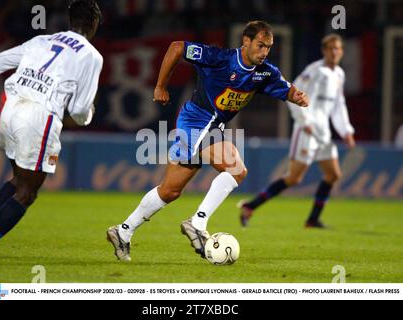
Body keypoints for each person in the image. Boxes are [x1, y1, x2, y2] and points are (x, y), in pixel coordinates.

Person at [106, 20, 309, 262]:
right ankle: (197, 223)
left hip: (205, 125)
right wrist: (161, 86)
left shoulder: (265, 72)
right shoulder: (219, 58)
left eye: (269, 47)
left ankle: (122, 231)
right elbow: (177, 47)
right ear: (246, 41)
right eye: (260, 45)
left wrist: (295, 95)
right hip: (197, 121)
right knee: (237, 169)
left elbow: (285, 88)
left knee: (169, 191)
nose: (264, 52)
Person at [0, 0, 103, 267]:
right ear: (94, 24)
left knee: (16, 181)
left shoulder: (40, 40)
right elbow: (80, 111)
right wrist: (89, 113)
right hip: (38, 116)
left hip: (10, 108)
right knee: (27, 192)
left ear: (70, 20)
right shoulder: (92, 56)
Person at [239, 33, 355, 229]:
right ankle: (250, 206)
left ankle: (312, 220)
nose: (335, 52)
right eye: (331, 48)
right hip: (307, 130)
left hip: (323, 132)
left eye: (338, 48)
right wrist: (304, 121)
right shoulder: (314, 71)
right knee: (294, 178)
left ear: (342, 51)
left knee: (333, 174)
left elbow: (338, 105)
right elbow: (292, 93)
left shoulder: (339, 75)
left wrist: (346, 131)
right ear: (324, 51)